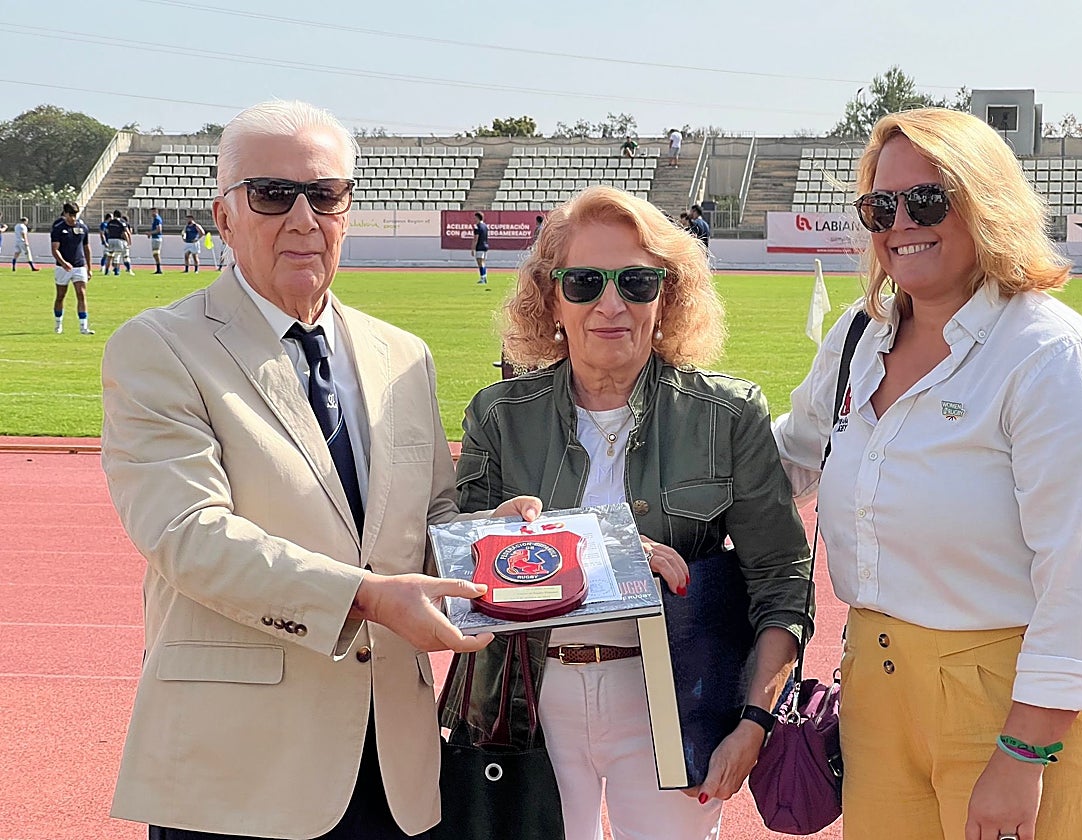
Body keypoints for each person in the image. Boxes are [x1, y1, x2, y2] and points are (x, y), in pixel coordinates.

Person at [100, 99, 539, 840]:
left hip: (393, 766)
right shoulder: (159, 348)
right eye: (273, 194)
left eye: (326, 194)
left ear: (346, 209)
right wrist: (367, 597)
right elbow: (188, 535)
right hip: (240, 772)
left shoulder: (403, 354)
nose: (303, 219)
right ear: (225, 215)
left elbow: (423, 521)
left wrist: (481, 544)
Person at [773, 108, 1082, 840]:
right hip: (880, 694)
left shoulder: (1054, 360)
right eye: (881, 206)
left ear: (987, 203)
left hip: (1030, 710)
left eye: (927, 200)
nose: (901, 223)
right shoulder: (860, 336)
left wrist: (1024, 751)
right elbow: (789, 457)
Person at [442, 185, 813, 840]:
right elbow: (454, 571)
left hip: (676, 698)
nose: (611, 304)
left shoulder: (727, 414)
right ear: (551, 298)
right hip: (531, 700)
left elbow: (782, 578)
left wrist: (753, 722)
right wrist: (597, 550)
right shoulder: (498, 415)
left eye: (637, 282)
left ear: (665, 296)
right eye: (584, 282)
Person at [49, 202, 94, 335]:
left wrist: (89, 267)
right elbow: (54, 249)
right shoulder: (58, 228)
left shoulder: (83, 228)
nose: (73, 218)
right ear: (65, 214)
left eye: (75, 215)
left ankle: (83, 327)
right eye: (71, 215)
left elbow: (86, 247)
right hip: (63, 268)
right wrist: (63, 263)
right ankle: (58, 324)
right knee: (61, 296)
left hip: (79, 266)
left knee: (81, 294)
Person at [106, 210, 134, 276]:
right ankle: (117, 271)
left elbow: (107, 231)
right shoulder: (122, 222)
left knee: (110, 255)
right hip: (118, 240)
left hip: (110, 239)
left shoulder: (110, 222)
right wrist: (129, 241)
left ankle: (107, 271)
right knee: (118, 255)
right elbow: (126, 232)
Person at [471, 210, 488, 284]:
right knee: (483, 262)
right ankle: (484, 277)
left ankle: (483, 278)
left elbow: (476, 239)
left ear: (478, 218)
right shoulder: (485, 226)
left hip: (480, 246)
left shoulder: (477, 227)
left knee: (480, 262)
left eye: (475, 218)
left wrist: (473, 248)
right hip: (485, 245)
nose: (474, 219)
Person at [148, 207, 164, 273]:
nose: (151, 213)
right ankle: (158, 269)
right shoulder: (155, 219)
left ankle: (159, 269)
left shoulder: (157, 219)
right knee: (155, 254)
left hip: (157, 238)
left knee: (156, 254)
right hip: (155, 238)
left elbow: (159, 230)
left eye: (152, 212)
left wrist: (150, 233)